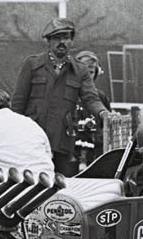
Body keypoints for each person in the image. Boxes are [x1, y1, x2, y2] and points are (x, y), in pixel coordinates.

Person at [11, 18, 111, 176]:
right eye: (57, 38)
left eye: (66, 38)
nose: (62, 42)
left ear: (71, 41)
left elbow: (91, 98)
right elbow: (18, 103)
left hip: (64, 141)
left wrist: (103, 113)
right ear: (49, 42)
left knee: (63, 186)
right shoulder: (32, 65)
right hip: (34, 138)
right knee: (32, 184)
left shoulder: (80, 70)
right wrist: (14, 134)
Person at [73, 50, 112, 164]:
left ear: (96, 73)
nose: (87, 76)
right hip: (71, 154)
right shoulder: (65, 95)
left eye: (90, 72)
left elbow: (107, 127)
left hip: (96, 153)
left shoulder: (101, 97)